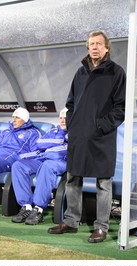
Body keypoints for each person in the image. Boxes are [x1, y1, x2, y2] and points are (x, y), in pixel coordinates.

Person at [48, 30, 126, 243]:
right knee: (73, 178)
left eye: (99, 43)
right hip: (79, 136)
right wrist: (73, 125)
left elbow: (121, 108)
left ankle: (101, 227)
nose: (94, 47)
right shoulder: (80, 73)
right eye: (91, 43)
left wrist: (100, 126)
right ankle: (71, 222)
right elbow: (70, 103)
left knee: (103, 182)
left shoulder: (116, 72)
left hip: (102, 137)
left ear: (106, 48)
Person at [0, 107, 41, 214]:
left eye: (17, 118)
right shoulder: (6, 131)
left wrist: (18, 157)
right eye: (13, 117)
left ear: (25, 119)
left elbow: (37, 151)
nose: (14, 120)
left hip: (6, 161)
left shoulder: (32, 132)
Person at [11, 108, 68, 225]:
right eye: (61, 118)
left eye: (66, 118)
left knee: (47, 166)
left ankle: (38, 209)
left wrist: (52, 143)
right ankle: (26, 207)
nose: (62, 121)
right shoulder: (54, 131)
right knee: (18, 165)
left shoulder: (76, 131)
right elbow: (40, 143)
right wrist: (60, 140)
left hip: (62, 161)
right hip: (43, 159)